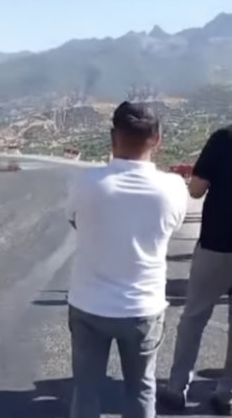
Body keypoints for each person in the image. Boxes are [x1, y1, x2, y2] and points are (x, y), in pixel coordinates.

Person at [65, 101, 188, 418]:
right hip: (143, 309)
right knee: (141, 390)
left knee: (86, 391)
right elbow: (170, 228)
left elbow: (75, 221)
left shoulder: (87, 183)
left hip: (88, 306)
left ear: (112, 137)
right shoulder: (174, 188)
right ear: (157, 139)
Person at [160, 83, 232, 415]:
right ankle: (229, 393)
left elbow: (195, 190)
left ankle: (178, 388)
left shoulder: (223, 138)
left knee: (194, 317)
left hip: (217, 244)